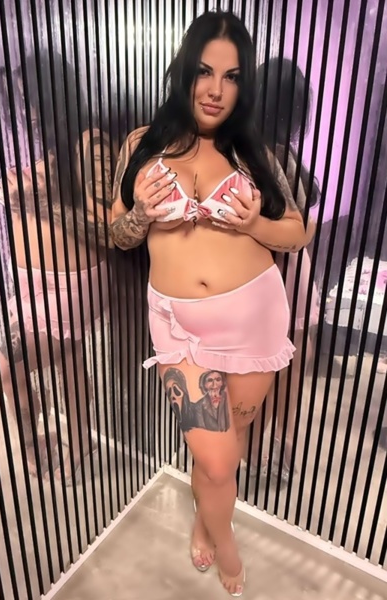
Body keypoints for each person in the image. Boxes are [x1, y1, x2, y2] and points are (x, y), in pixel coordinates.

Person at [111, 12, 306, 596]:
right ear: (183, 72)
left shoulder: (252, 152)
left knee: (232, 438)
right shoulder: (141, 145)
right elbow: (117, 234)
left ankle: (204, 519)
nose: (215, 89)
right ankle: (228, 545)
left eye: (231, 76)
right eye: (203, 71)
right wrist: (140, 214)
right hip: (179, 329)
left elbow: (297, 231)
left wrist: (254, 224)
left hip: (254, 317)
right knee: (217, 459)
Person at [0, 50, 113, 483]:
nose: (25, 111)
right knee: (69, 355)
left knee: (8, 369)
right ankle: (78, 443)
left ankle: (39, 443)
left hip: (73, 284)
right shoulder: (56, 146)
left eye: (30, 99)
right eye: (20, 100)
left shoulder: (92, 141)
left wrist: (40, 203)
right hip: (35, 282)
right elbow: (43, 183)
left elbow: (106, 228)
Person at [248, 58, 320, 481]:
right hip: (281, 269)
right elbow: (302, 226)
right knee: (281, 364)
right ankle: (276, 448)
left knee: (273, 364)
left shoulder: (266, 152)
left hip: (278, 270)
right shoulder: (266, 154)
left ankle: (264, 450)